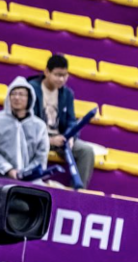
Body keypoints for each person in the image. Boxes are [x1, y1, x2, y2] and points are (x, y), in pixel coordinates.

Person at [27, 55, 95, 188]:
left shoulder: (67, 93)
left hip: (60, 137)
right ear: (46, 72)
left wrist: (70, 137)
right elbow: (28, 122)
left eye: (65, 75)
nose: (61, 79)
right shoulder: (32, 88)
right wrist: (49, 140)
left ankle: (78, 193)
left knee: (87, 151)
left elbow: (71, 120)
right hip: (37, 137)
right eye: (57, 75)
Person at [0, 77, 49, 181]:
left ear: (29, 98)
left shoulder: (39, 126)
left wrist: (26, 174)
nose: (16, 97)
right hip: (2, 176)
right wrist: (8, 170)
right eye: (13, 94)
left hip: (31, 180)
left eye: (21, 94)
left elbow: (41, 157)